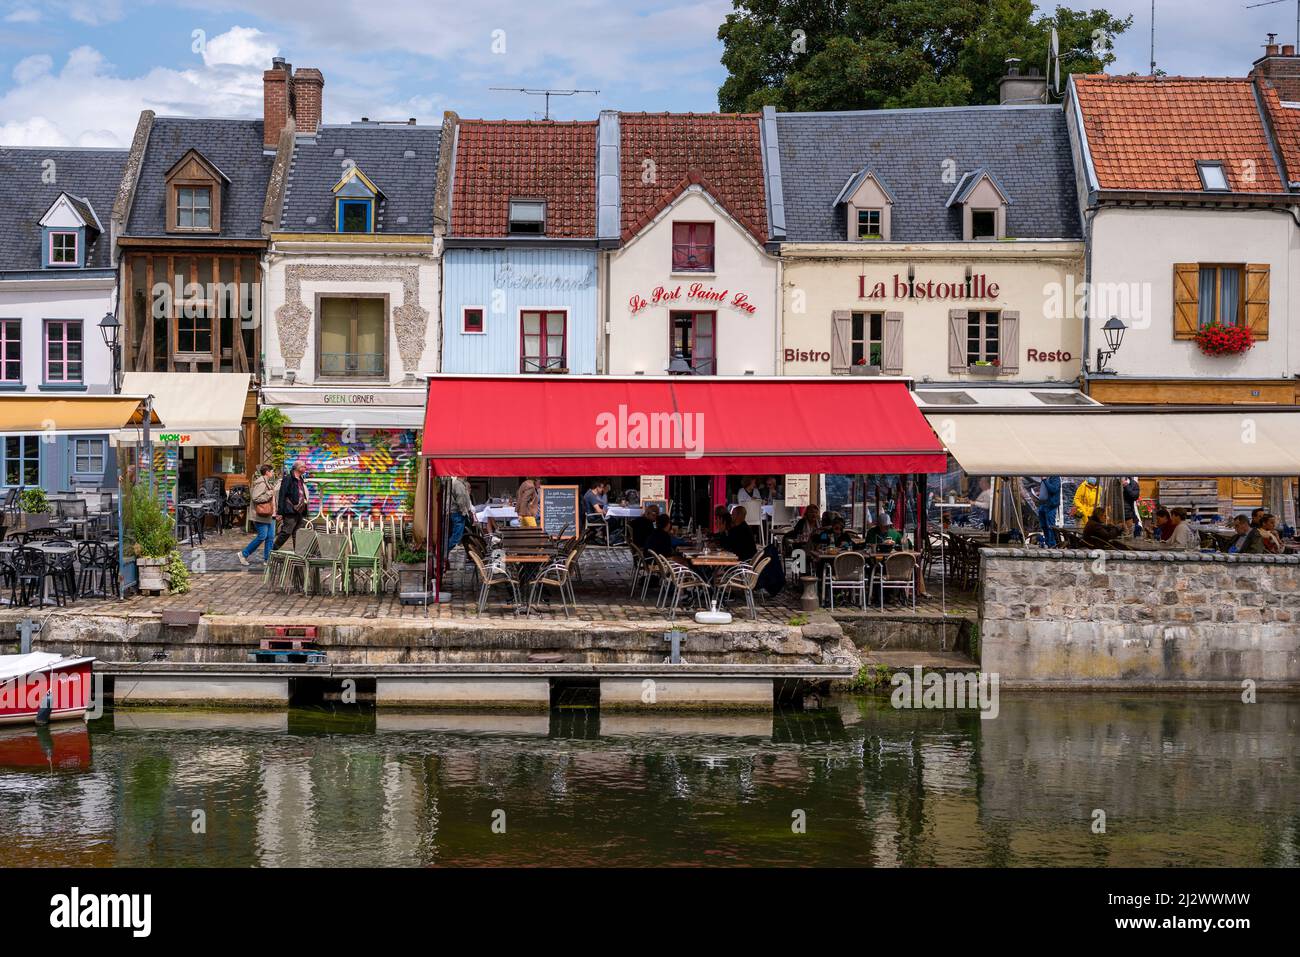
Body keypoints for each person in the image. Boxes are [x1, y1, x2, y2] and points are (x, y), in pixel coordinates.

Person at [238, 464, 277, 566]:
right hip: (261, 514)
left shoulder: (267, 482)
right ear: (267, 472)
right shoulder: (261, 483)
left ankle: (267, 559)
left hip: (270, 514)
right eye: (272, 471)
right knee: (262, 536)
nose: (273, 473)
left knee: (270, 537)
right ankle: (243, 554)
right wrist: (270, 493)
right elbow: (255, 498)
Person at [272, 461, 310, 550]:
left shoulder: (300, 478)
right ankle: (273, 550)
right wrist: (280, 512)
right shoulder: (288, 478)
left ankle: (297, 554)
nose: (305, 468)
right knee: (286, 532)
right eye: (303, 467)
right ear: (297, 468)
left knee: (297, 533)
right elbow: (282, 495)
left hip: (300, 510)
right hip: (290, 510)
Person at [446, 475, 475, 553]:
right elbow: (460, 499)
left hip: (456, 512)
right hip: (457, 512)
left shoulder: (460, 483)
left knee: (459, 534)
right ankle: (445, 551)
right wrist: (464, 512)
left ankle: (446, 551)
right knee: (457, 536)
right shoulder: (458, 484)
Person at [1034, 475, 1061, 547]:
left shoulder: (1055, 477)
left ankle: (1052, 544)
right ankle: (1047, 542)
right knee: (1043, 525)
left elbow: (1053, 489)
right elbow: (1046, 489)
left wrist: (1045, 480)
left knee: (1050, 525)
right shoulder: (1045, 477)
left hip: (1050, 505)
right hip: (1042, 504)